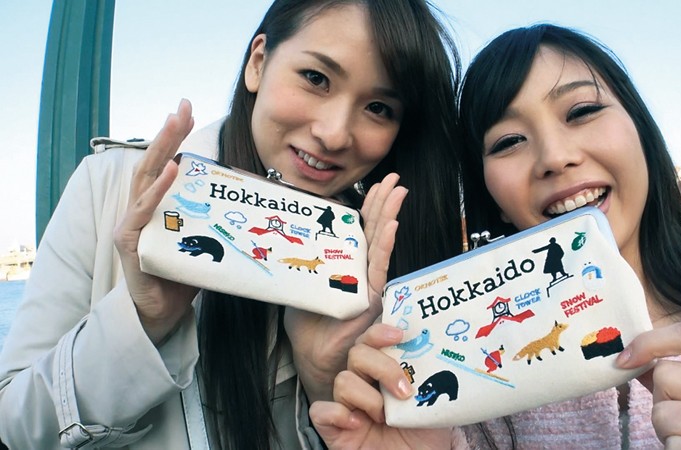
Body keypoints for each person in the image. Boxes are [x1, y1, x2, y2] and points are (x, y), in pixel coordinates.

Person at [309, 24, 681, 449]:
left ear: (640, 129)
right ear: (491, 197)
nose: (554, 157)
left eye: (581, 111)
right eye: (509, 141)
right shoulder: (462, 385)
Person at [0, 0, 464, 448]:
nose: (334, 133)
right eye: (316, 78)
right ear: (258, 62)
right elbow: (16, 428)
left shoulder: (379, 264)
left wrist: (322, 381)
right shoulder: (113, 189)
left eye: (379, 108)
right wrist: (142, 320)